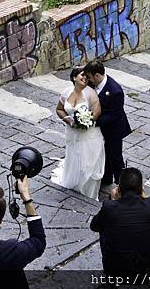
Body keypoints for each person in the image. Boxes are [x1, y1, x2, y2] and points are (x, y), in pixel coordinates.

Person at [90, 168, 150, 280]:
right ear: (141, 188)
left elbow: (94, 226)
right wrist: (146, 201)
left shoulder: (109, 207)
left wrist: (113, 201)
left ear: (119, 189)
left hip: (117, 268)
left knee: (104, 231)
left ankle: (112, 279)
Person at [53, 66, 105, 200]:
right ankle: (73, 184)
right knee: (74, 158)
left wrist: (86, 122)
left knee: (86, 164)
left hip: (88, 135)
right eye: (82, 75)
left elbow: (97, 112)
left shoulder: (90, 93)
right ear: (74, 77)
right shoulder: (66, 92)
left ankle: (85, 190)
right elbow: (59, 109)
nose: (85, 78)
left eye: (87, 77)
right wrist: (68, 120)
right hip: (72, 134)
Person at [83, 61, 132, 185]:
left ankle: (121, 183)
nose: (87, 80)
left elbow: (114, 115)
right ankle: (106, 178)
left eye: (89, 77)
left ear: (97, 76)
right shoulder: (92, 83)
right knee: (102, 153)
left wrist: (92, 120)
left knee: (115, 156)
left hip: (113, 129)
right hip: (100, 127)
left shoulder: (115, 91)